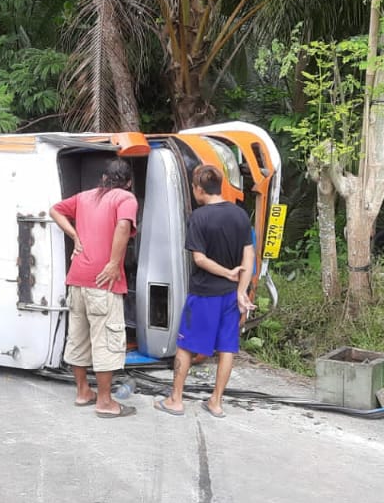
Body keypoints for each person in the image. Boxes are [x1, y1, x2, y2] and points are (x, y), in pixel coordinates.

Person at [155, 165, 254, 419]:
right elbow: (249, 254)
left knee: (186, 346)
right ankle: (216, 402)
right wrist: (241, 290)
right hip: (230, 296)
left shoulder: (199, 217)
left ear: (199, 189)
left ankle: (176, 400)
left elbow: (199, 259)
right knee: (227, 348)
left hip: (204, 294)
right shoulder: (240, 215)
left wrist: (225, 272)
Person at [49, 159, 138, 419]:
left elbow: (55, 210)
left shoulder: (85, 196)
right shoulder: (126, 198)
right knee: (106, 340)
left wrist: (74, 235)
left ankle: (83, 392)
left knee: (78, 336)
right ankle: (105, 402)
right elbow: (123, 225)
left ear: (103, 178)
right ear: (129, 182)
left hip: (77, 278)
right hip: (103, 281)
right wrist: (113, 264)